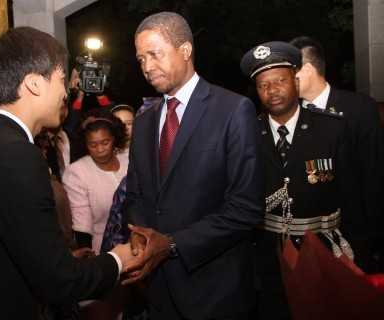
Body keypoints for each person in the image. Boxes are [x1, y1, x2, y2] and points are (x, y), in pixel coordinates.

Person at [0, 27, 134, 320]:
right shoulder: (16, 155)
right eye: (62, 79)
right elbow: (59, 283)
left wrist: (59, 259)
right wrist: (119, 260)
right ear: (34, 84)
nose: (65, 92)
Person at [123, 12, 264, 319]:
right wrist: (138, 233)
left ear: (185, 50)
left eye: (154, 54)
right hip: (157, 290)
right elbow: (134, 195)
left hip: (215, 291)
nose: (146, 67)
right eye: (140, 58)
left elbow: (246, 209)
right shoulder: (144, 122)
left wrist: (172, 245)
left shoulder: (233, 110)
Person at [240, 41, 354, 319]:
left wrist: (360, 249)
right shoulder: (247, 134)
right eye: (263, 85)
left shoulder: (332, 128)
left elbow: (353, 194)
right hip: (270, 256)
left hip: (325, 250)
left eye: (279, 80)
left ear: (295, 79)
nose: (271, 90)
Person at [290, 36, 384, 272]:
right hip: (308, 240)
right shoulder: (290, 116)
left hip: (356, 236)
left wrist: (372, 239)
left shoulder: (359, 109)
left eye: (293, 72)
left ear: (309, 69)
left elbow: (374, 173)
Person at [63, 108, 128, 253]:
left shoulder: (129, 160)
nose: (100, 149)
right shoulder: (77, 172)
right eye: (93, 145)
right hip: (102, 250)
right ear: (85, 145)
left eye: (105, 142)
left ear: (114, 139)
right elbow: (82, 223)